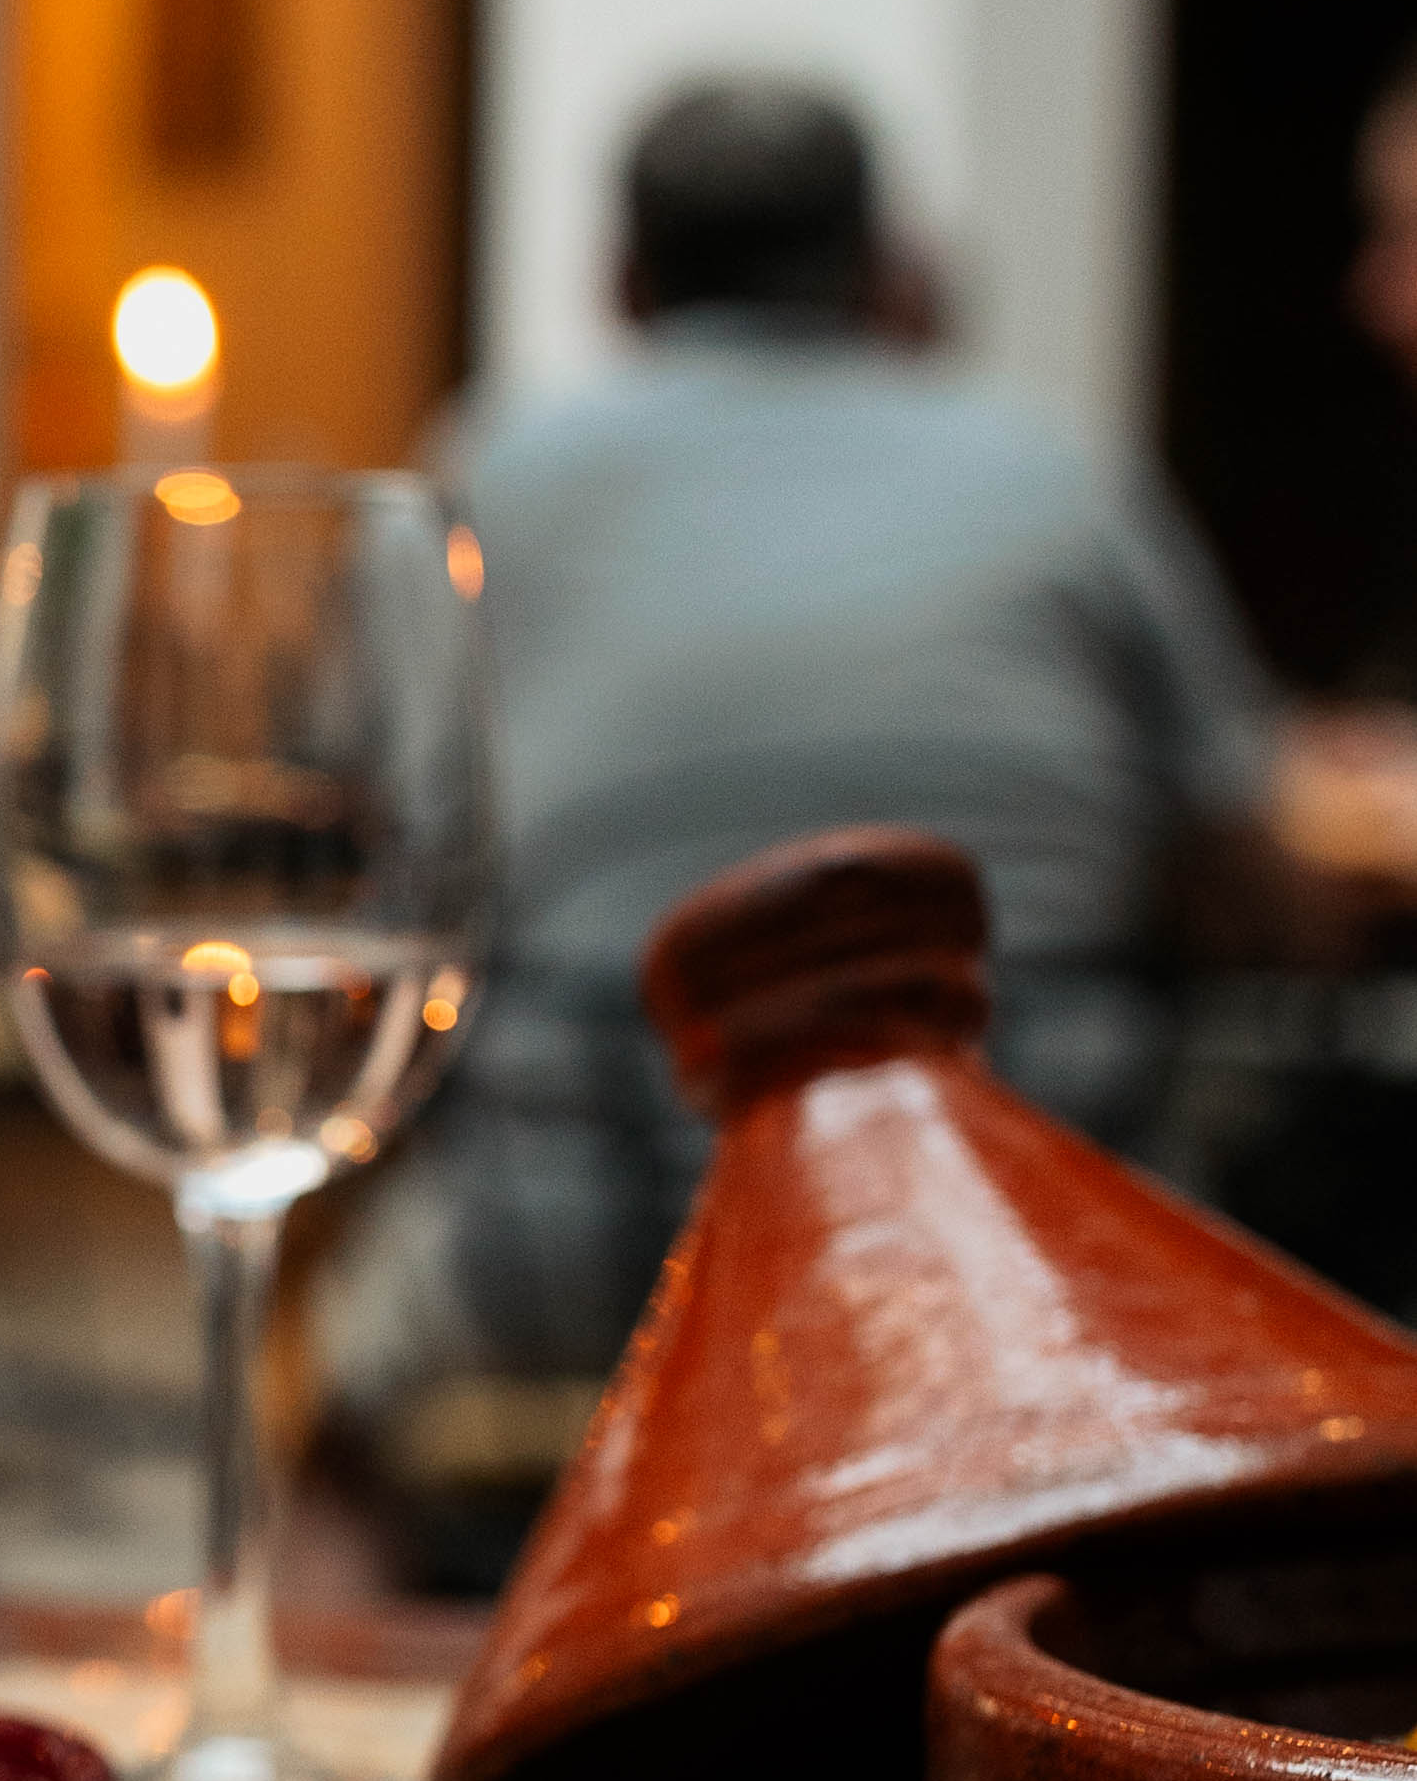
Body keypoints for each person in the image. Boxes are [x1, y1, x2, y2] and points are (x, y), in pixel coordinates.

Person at [323, 74, 1280, 1424]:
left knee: (340, 1416)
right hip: (1027, 1266)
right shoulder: (1059, 469)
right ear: (886, 269)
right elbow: (1238, 873)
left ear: (619, 278)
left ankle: (329, 1630)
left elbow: (374, 853)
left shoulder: (490, 469)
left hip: (578, 1275)